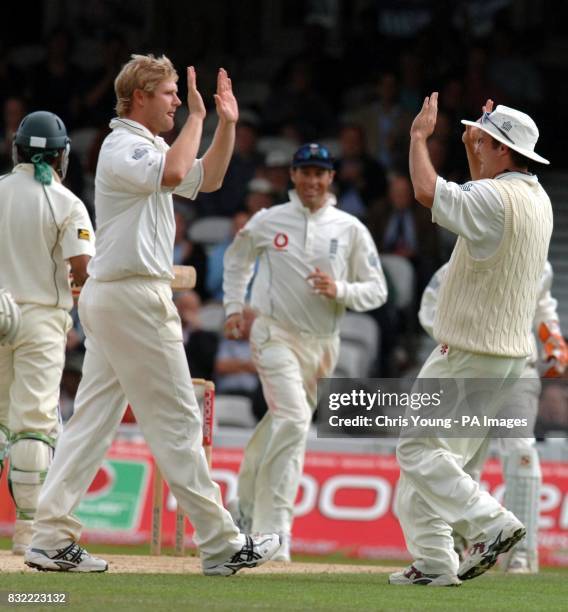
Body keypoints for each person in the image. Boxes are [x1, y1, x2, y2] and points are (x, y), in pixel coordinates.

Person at [25, 54, 280, 575]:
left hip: (118, 297)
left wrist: (225, 123)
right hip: (133, 300)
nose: (178, 103)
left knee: (92, 422)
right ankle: (220, 542)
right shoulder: (122, 147)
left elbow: (205, 178)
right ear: (139, 96)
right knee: (178, 421)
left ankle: (49, 537)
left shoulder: (149, 145)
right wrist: (198, 122)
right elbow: (178, 170)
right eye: (169, 94)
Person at [389, 95, 552, 587]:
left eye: (483, 138)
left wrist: (419, 138)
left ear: (502, 148)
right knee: (441, 462)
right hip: (505, 358)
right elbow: (482, 199)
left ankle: (491, 523)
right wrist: (472, 151)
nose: (475, 141)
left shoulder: (493, 200)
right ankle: (436, 563)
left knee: (416, 450)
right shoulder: (536, 197)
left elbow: (425, 190)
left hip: (467, 350)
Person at [223, 142, 388, 561]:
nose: (312, 181)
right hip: (274, 333)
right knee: (295, 420)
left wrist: (341, 289)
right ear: (293, 176)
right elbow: (237, 259)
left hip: (323, 345)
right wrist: (231, 306)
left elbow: (378, 290)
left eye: (320, 173)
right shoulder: (268, 220)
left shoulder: (349, 228)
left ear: (331, 177)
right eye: (305, 172)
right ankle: (274, 532)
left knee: (284, 425)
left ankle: (242, 507)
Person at [419, 260, 568, 574]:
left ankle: (523, 554)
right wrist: (461, 346)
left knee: (521, 453)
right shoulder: (458, 265)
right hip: (471, 378)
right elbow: (429, 309)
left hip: (518, 373)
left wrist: (553, 340)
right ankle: (460, 542)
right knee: (464, 461)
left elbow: (543, 306)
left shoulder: (538, 263)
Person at [0, 111, 95, 555]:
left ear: (17, 149)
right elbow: (82, 270)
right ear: (61, 156)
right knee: (33, 423)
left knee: (1, 421)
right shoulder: (66, 202)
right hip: (40, 317)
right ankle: (28, 533)